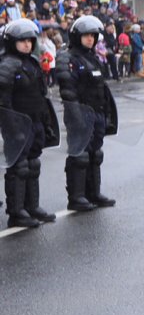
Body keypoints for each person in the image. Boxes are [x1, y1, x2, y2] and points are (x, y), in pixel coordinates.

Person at [55, 14, 118, 212]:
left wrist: (107, 114)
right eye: (86, 35)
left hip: (97, 113)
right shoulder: (67, 58)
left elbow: (102, 88)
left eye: (93, 35)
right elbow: (68, 91)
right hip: (79, 113)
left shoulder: (92, 58)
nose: (90, 39)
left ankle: (93, 193)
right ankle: (77, 197)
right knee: (79, 155)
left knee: (95, 154)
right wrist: (77, 116)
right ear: (77, 36)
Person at [0, 19, 60, 227]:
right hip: (17, 123)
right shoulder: (7, 64)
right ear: (12, 42)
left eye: (29, 40)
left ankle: (32, 206)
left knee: (33, 164)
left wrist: (46, 122)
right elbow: (3, 100)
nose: (27, 44)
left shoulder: (33, 63)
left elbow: (41, 95)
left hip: (35, 121)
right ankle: (16, 212)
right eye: (22, 41)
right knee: (19, 166)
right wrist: (11, 126)